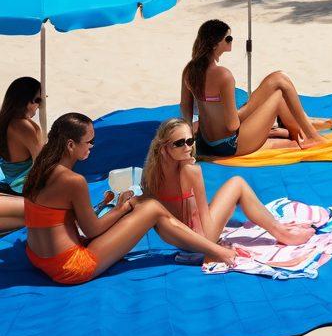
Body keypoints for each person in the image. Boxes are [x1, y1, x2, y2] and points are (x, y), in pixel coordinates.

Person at [22, 113, 236, 285]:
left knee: (147, 207)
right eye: (89, 141)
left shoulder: (39, 170)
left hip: (37, 257)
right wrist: (122, 208)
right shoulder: (73, 181)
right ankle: (216, 251)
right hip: (69, 267)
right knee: (152, 208)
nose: (92, 146)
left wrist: (122, 207)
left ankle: (203, 245)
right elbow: (92, 230)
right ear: (70, 145)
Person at [142, 118, 314, 245]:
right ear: (165, 147)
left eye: (190, 141)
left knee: (225, 197)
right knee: (237, 184)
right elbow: (205, 220)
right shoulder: (191, 171)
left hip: (177, 240)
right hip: (199, 239)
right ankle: (282, 233)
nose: (188, 147)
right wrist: (212, 246)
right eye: (180, 143)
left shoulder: (151, 174)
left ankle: (279, 229)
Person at [181, 20, 332, 160]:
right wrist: (251, 109)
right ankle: (309, 134)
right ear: (215, 44)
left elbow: (185, 107)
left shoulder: (189, 71)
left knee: (277, 78)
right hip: (229, 145)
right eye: (228, 39)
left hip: (206, 142)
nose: (231, 41)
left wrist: (192, 137)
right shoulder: (223, 75)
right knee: (278, 95)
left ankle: (300, 130)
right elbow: (232, 125)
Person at [0, 76, 44, 194]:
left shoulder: (6, 118)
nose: (40, 105)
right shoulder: (23, 126)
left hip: (12, 178)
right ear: (26, 101)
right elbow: (40, 162)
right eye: (38, 100)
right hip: (22, 184)